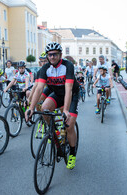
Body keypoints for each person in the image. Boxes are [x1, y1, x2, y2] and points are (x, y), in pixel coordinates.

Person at [25, 42, 80, 170]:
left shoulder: (68, 66)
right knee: (44, 109)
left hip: (71, 95)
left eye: (55, 54)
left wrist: (65, 110)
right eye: (50, 55)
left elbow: (69, 89)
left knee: (69, 124)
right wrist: (31, 108)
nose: (52, 57)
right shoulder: (45, 69)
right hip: (57, 94)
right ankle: (54, 132)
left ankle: (72, 153)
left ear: (60, 55)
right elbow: (39, 88)